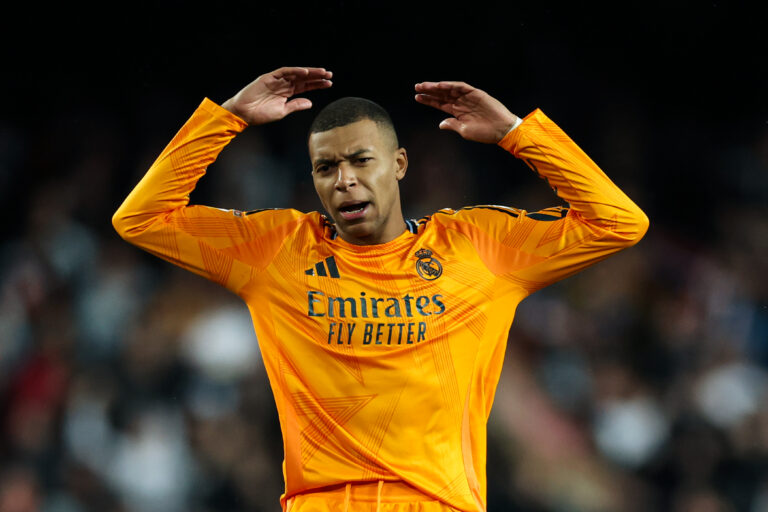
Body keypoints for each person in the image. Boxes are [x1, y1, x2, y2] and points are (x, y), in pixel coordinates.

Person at [112, 66, 649, 512]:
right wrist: (227, 117)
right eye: (326, 167)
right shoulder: (279, 252)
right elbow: (141, 218)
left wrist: (515, 131)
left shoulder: (476, 248)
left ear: (399, 165)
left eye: (361, 160)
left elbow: (619, 222)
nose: (344, 179)